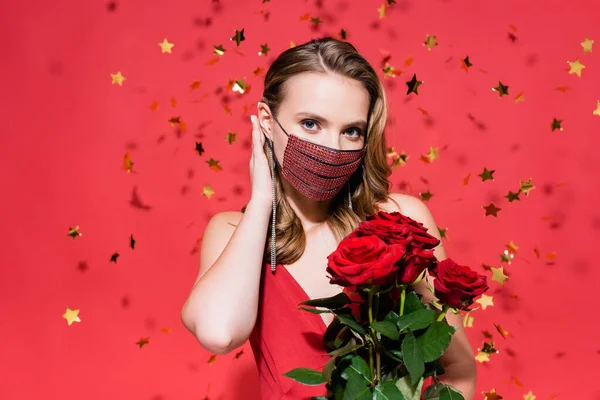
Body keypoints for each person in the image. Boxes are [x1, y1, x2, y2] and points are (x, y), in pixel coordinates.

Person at [181, 37, 477, 400]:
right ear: (266, 122)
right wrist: (262, 199)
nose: (332, 147)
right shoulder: (232, 231)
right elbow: (219, 332)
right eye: (310, 124)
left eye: (351, 130)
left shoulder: (400, 220)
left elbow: (459, 369)